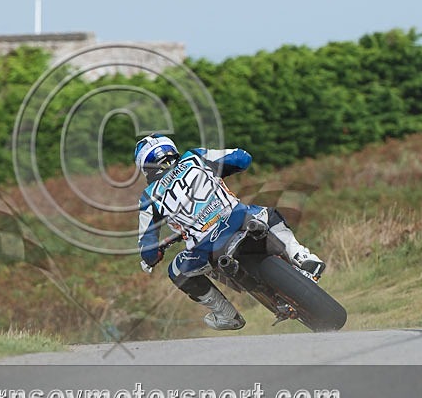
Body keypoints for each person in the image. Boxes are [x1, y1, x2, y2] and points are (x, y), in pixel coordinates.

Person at [135, 134, 325, 330]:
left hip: (206, 248)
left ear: (145, 166)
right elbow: (243, 158)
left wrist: (153, 256)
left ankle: (226, 314)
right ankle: (301, 256)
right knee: (270, 215)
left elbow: (147, 249)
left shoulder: (149, 197)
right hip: (239, 220)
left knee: (175, 272)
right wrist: (223, 170)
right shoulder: (195, 157)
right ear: (172, 150)